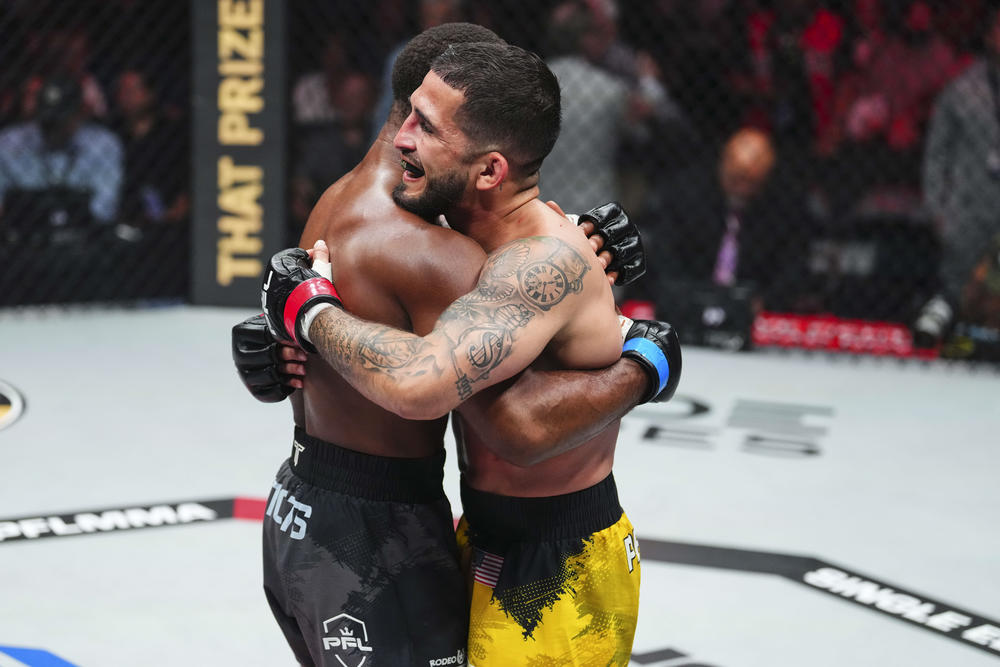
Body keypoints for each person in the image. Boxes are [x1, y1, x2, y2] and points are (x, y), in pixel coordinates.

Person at [239, 25, 676, 667]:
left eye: (426, 126)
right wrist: (276, 335)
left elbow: (508, 423)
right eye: (410, 115)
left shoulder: (482, 250)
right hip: (455, 531)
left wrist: (307, 314)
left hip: (557, 557)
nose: (401, 137)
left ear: (489, 167)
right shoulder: (448, 239)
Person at [639, 126, 815, 315]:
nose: (742, 188)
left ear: (766, 177)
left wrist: (765, 301)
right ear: (723, 165)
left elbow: (793, 266)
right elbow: (665, 254)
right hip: (690, 293)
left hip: (751, 302)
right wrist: (684, 296)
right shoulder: (686, 195)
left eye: (751, 181)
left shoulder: (783, 209)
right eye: (736, 179)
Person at [915, 1, 1000, 347]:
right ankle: (945, 329)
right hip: (967, 209)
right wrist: (938, 210)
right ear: (990, 35)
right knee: (957, 287)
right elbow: (936, 155)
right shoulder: (961, 91)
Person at [0, 74, 123, 236]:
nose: (54, 128)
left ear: (80, 114)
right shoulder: (9, 143)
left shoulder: (103, 144)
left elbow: (105, 208)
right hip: (21, 234)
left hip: (85, 235)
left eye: (61, 120)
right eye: (48, 121)